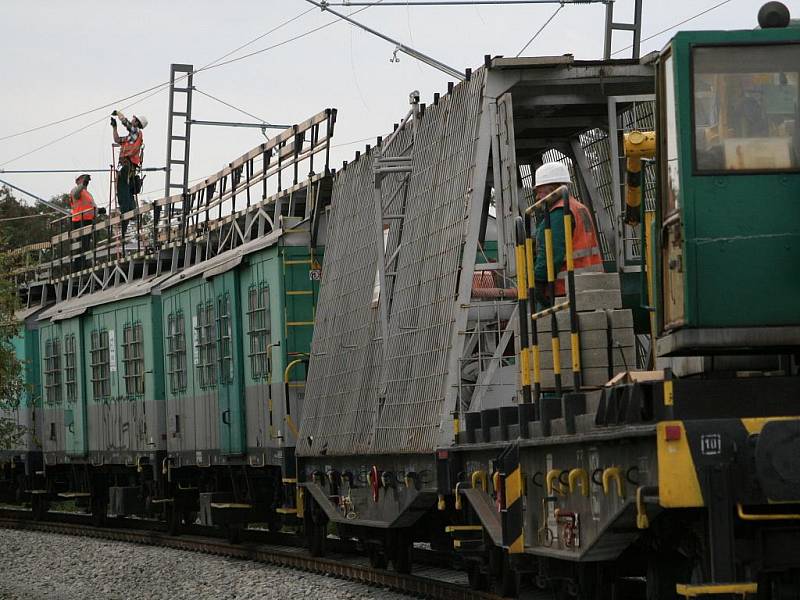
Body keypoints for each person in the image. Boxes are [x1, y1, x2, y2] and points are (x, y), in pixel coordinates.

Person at [532, 161, 602, 309]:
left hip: (563, 290)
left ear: (553, 188)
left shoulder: (560, 212)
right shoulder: (578, 207)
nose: (537, 197)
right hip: (588, 286)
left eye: (540, 191)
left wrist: (538, 281)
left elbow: (552, 251)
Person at [111, 110, 147, 236]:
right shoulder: (130, 137)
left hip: (127, 165)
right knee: (125, 191)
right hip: (126, 166)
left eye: (134, 119)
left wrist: (119, 114)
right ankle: (129, 212)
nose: (132, 120)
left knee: (122, 190)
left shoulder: (136, 132)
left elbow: (126, 123)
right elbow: (117, 139)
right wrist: (114, 127)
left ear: (137, 122)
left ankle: (126, 212)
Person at [68, 174, 97, 269]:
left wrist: (99, 210)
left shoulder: (88, 194)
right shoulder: (75, 191)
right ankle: (78, 266)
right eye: (83, 179)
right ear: (77, 181)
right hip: (79, 221)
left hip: (88, 221)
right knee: (82, 244)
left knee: (86, 244)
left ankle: (83, 264)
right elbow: (76, 193)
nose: (86, 181)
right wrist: (82, 184)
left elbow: (91, 206)